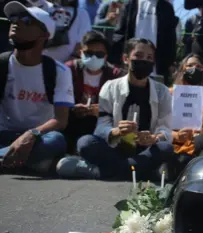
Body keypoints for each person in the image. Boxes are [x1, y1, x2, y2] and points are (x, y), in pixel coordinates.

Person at [56, 38, 174, 180]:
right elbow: (101, 127)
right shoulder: (111, 87)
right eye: (138, 56)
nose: (144, 61)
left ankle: (97, 171)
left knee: (165, 148)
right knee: (85, 142)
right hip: (114, 149)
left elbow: (165, 130)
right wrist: (116, 131)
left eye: (149, 58)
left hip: (145, 151)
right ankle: (138, 171)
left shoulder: (162, 92)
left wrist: (153, 138)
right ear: (126, 58)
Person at [0, 2, 74, 173]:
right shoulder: (2, 64)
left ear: (44, 35)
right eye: (14, 18)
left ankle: (8, 160)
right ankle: (23, 161)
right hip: (4, 133)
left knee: (56, 140)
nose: (16, 23)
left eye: (26, 20)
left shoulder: (59, 71)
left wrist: (31, 134)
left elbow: (61, 120)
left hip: (38, 137)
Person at [63, 31, 125, 153]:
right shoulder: (68, 70)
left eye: (99, 54)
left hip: (99, 125)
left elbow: (121, 107)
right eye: (88, 53)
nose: (94, 57)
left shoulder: (115, 76)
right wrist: (71, 108)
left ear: (106, 56)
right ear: (80, 52)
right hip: (70, 122)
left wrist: (101, 110)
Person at [170, 54, 203, 175]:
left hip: (198, 145)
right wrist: (177, 135)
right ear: (182, 69)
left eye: (199, 66)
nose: (194, 69)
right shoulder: (170, 94)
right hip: (173, 144)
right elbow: (159, 126)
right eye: (190, 65)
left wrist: (202, 137)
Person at [115, 0, 177, 84]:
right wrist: (118, 60)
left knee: (156, 94)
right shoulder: (129, 5)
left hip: (157, 67)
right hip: (132, 63)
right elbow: (120, 34)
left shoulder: (167, 8)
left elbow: (171, 39)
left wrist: (170, 62)